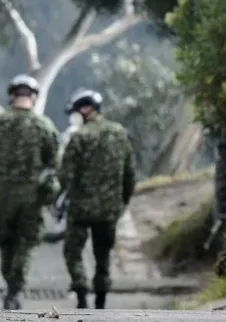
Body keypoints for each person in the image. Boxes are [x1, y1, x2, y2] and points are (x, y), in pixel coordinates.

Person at [0, 75, 59, 309]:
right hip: (31, 198)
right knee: (25, 245)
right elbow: (53, 165)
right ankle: (15, 290)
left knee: (6, 243)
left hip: (0, 198)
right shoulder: (44, 126)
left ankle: (11, 285)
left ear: (12, 95)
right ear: (33, 96)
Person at [58, 89, 136, 310]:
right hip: (109, 209)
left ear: (85, 110)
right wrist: (122, 202)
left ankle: (81, 291)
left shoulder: (79, 137)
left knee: (73, 252)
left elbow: (65, 175)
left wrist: (60, 198)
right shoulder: (119, 133)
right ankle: (101, 299)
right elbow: (130, 174)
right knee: (103, 255)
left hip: (80, 209)